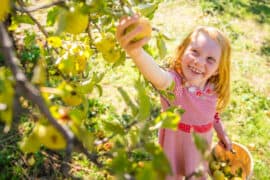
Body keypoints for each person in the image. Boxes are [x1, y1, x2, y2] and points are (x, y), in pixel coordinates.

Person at [116, 14, 232, 179]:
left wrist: (222, 134)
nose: (199, 62)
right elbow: (159, 77)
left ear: (219, 69)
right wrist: (136, 52)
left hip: (199, 147)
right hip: (175, 146)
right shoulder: (176, 87)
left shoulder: (212, 89)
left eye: (210, 59)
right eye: (195, 52)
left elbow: (212, 114)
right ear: (182, 51)